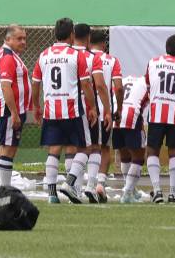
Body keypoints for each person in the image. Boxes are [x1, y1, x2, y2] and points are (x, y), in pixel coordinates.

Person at [32, 17, 97, 204]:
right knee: (86, 147)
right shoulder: (76, 55)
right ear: (71, 34)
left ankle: (52, 195)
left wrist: (36, 106)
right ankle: (69, 183)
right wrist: (92, 107)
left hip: (51, 109)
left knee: (54, 149)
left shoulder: (44, 55)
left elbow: (35, 83)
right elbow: (86, 84)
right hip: (72, 109)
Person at [143, 34, 175, 204]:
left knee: (152, 150)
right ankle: (173, 193)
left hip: (156, 111)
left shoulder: (153, 62)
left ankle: (157, 191)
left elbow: (148, 85)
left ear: (166, 46)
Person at [85, 30, 122, 202]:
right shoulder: (112, 60)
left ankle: (84, 184)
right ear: (104, 44)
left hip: (86, 110)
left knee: (86, 148)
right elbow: (118, 88)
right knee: (105, 148)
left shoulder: (83, 57)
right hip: (104, 110)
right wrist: (118, 108)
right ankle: (99, 184)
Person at [116, 71, 149, 203]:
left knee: (124, 155)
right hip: (131, 117)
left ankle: (130, 188)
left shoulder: (124, 80)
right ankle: (128, 193)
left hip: (117, 117)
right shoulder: (146, 83)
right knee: (139, 157)